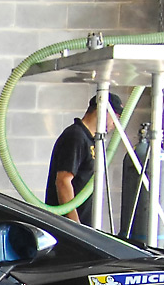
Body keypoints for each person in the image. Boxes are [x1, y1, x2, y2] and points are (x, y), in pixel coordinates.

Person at [44, 92, 119, 227]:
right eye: (115, 117)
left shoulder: (92, 140)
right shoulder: (76, 136)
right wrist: (75, 225)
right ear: (102, 111)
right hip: (68, 228)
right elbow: (63, 181)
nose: (115, 123)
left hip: (83, 226)